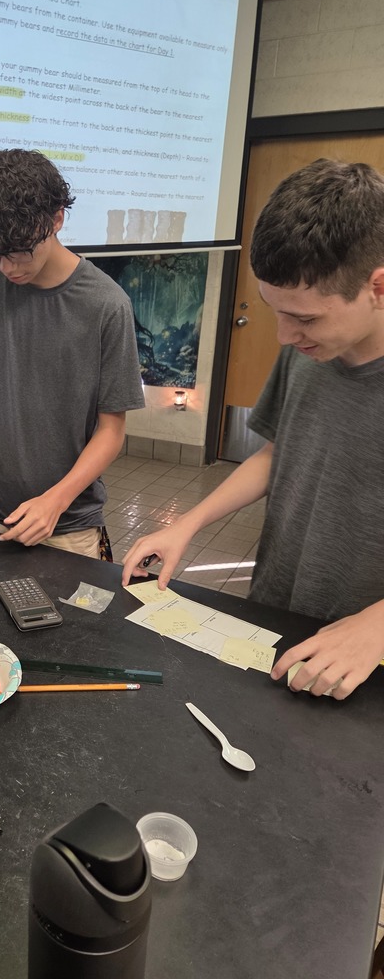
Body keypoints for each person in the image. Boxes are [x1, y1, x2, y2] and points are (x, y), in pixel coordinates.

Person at [121, 158, 384, 700]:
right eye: (275, 311)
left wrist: (377, 626)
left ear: (378, 286)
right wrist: (185, 525)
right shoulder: (309, 351)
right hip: (278, 607)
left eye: (306, 318)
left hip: (361, 654)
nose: (286, 336)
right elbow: (277, 453)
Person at [0, 148, 144, 558]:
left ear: (56, 219)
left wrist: (55, 501)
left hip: (68, 523)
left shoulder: (106, 305)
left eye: (21, 251)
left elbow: (111, 430)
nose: (8, 267)